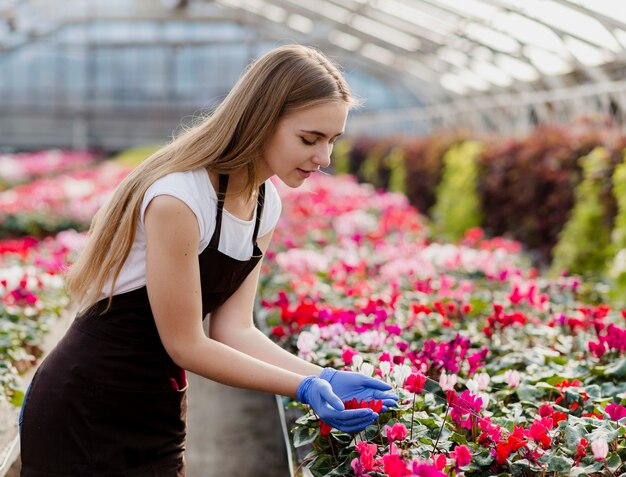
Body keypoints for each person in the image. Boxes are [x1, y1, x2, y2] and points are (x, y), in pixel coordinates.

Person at [18, 44, 397, 476]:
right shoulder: (180, 197)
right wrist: (302, 387)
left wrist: (322, 375)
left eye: (332, 140)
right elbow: (186, 344)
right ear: (261, 121)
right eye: (309, 139)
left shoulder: (263, 203)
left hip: (157, 405)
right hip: (86, 402)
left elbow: (233, 329)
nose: (324, 158)